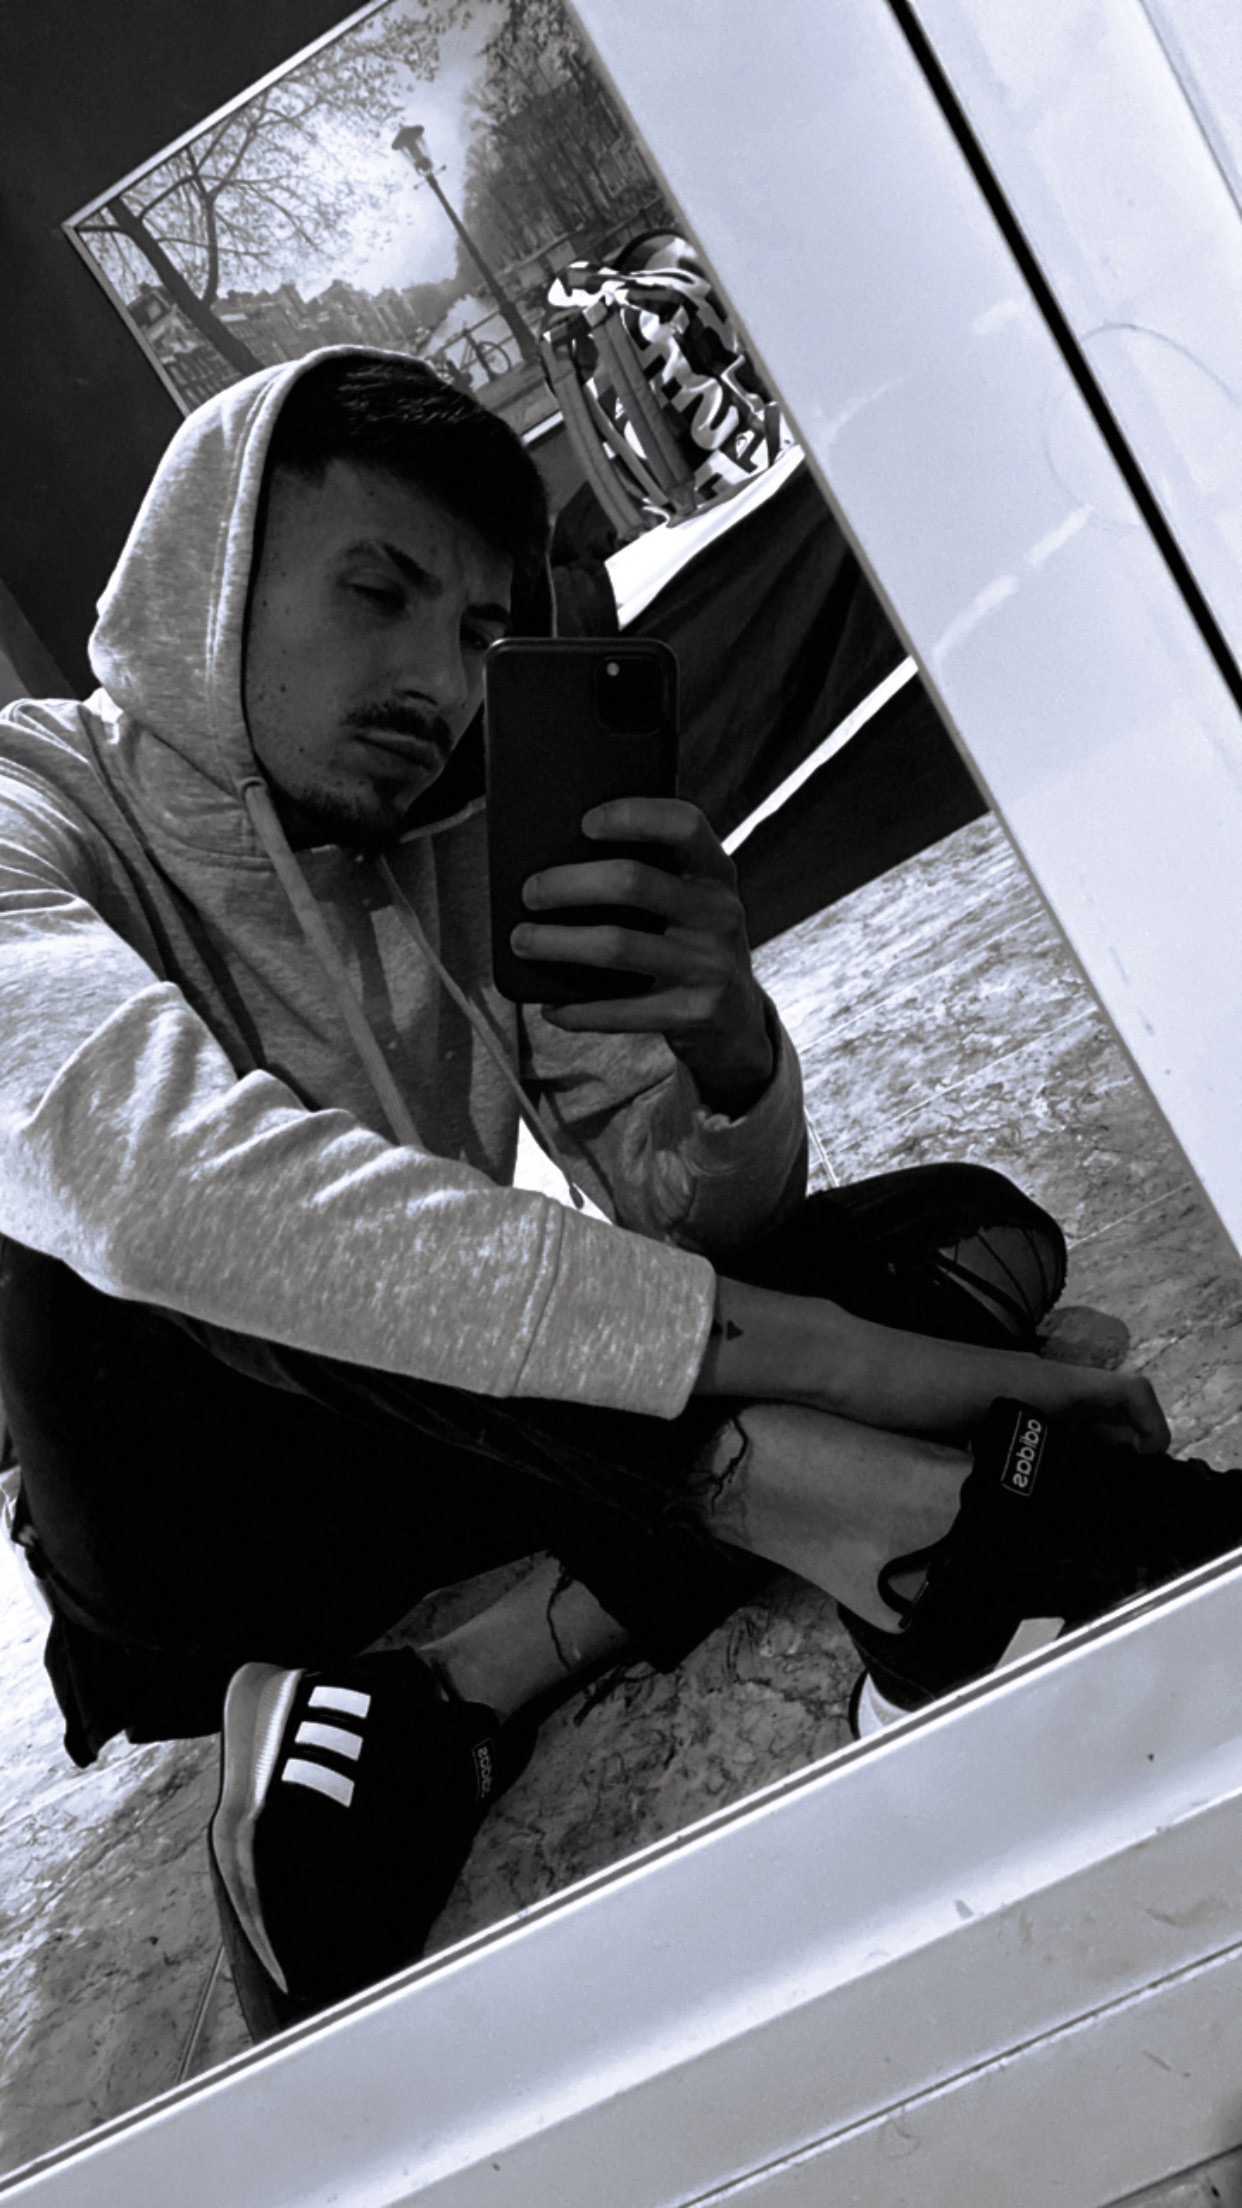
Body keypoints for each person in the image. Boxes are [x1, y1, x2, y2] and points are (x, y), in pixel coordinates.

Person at [0, 348, 1217, 2042]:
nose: (437, 682)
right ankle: (869, 1509)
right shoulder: (31, 810)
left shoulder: (465, 831)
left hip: (455, 1450)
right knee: (181, 1227)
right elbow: (149, 1190)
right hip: (200, 1523)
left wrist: (725, 1050)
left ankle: (471, 1671)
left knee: (975, 1226)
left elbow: (680, 1221)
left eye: (481, 633)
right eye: (378, 593)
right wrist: (847, 1368)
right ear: (208, 579)